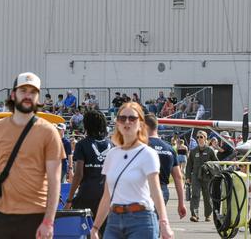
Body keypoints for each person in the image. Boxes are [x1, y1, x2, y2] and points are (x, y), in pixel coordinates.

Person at [0, 72, 64, 239]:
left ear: (38, 97)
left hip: (35, 217)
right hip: (1, 217)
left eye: (33, 92)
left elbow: (55, 180)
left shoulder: (49, 132)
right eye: (23, 90)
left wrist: (48, 222)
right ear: (13, 94)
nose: (28, 96)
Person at [89, 101, 174, 239]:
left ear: (141, 124)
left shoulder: (148, 153)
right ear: (117, 123)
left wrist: (164, 222)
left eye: (132, 118)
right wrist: (95, 227)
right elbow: (107, 195)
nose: (127, 122)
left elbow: (155, 190)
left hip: (141, 219)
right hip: (114, 220)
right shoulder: (112, 154)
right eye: (122, 118)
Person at [67, 110, 112, 219]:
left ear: (87, 124)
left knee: (87, 232)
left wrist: (69, 199)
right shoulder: (112, 145)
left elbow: (78, 175)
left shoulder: (82, 144)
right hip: (106, 195)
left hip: (86, 194)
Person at [144, 114, 186, 221]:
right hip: (163, 191)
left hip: (145, 190)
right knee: (153, 224)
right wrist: (181, 202)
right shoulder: (169, 148)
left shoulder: (142, 146)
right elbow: (178, 177)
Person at [185, 131, 219, 223]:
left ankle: (208, 215)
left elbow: (217, 163)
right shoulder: (193, 151)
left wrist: (210, 168)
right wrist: (187, 177)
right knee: (195, 195)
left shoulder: (210, 150)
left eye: (201, 137)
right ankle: (194, 215)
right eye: (198, 137)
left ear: (205, 138)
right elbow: (189, 165)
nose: (199, 139)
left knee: (207, 196)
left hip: (207, 176)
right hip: (196, 176)